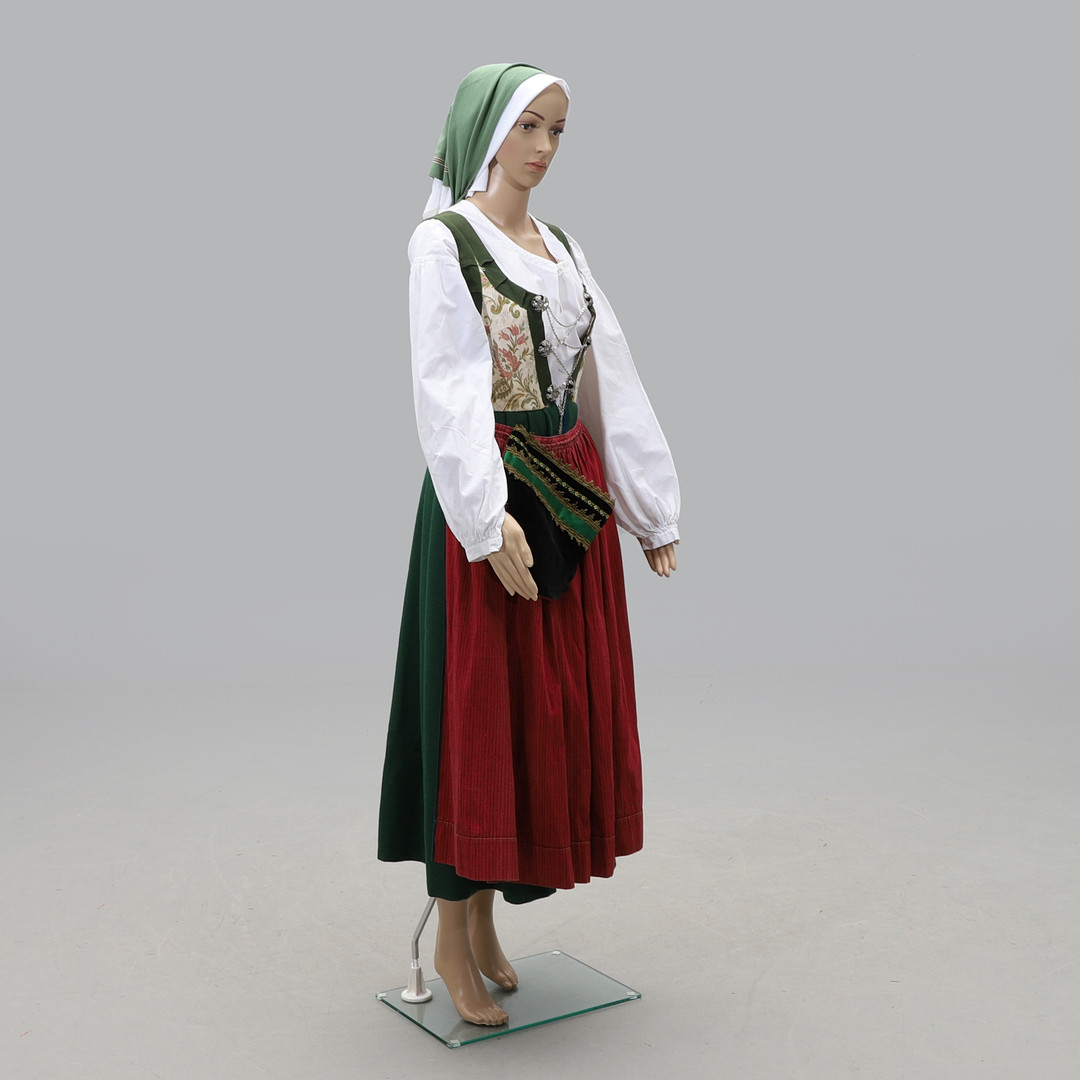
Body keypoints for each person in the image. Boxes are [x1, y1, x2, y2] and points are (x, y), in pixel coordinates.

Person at [377, 63, 681, 1027]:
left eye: (557, 130)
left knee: (535, 713)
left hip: (571, 500)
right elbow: (446, 388)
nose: (545, 147)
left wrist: (649, 508)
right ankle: (454, 935)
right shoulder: (445, 242)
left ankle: (488, 923)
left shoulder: (563, 247)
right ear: (489, 130)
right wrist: (482, 515)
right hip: (496, 503)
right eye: (529, 127)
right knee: (476, 711)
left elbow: (607, 373)